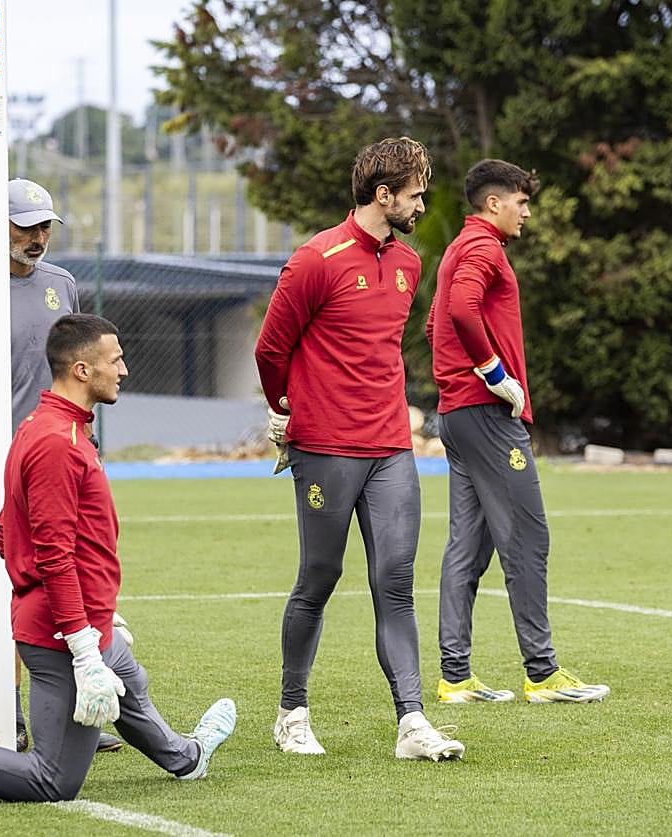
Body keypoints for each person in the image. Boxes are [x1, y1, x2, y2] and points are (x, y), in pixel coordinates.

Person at [0, 313, 237, 809]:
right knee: (53, 780)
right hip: (60, 631)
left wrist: (97, 615)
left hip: (78, 618)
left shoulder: (46, 425)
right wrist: (82, 646)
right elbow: (53, 554)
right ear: (81, 370)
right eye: (115, 360)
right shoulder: (57, 442)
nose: (125, 370)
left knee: (128, 677)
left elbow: (8, 535)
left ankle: (187, 757)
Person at [254, 137, 464, 762]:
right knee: (319, 577)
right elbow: (271, 349)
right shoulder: (315, 260)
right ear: (383, 194)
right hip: (325, 447)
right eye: (416, 194)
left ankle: (413, 723)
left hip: (392, 447)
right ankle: (292, 711)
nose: (422, 205)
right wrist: (286, 411)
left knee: (394, 582)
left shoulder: (408, 263)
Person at [0, 177, 123, 753]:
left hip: (63, 460)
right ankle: (5, 716)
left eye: (44, 226)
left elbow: (84, 371)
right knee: (14, 590)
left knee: (77, 584)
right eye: (25, 225)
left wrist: (91, 447)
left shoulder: (62, 283)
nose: (38, 237)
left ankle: (74, 712)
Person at [426, 159, 609, 705]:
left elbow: (435, 322)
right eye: (521, 202)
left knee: (468, 545)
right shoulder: (484, 247)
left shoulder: (459, 246)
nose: (527, 212)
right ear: (493, 204)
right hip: (485, 413)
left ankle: (455, 678)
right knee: (528, 537)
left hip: (458, 415)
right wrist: (492, 371)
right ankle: (543, 672)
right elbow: (458, 311)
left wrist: (459, 378)